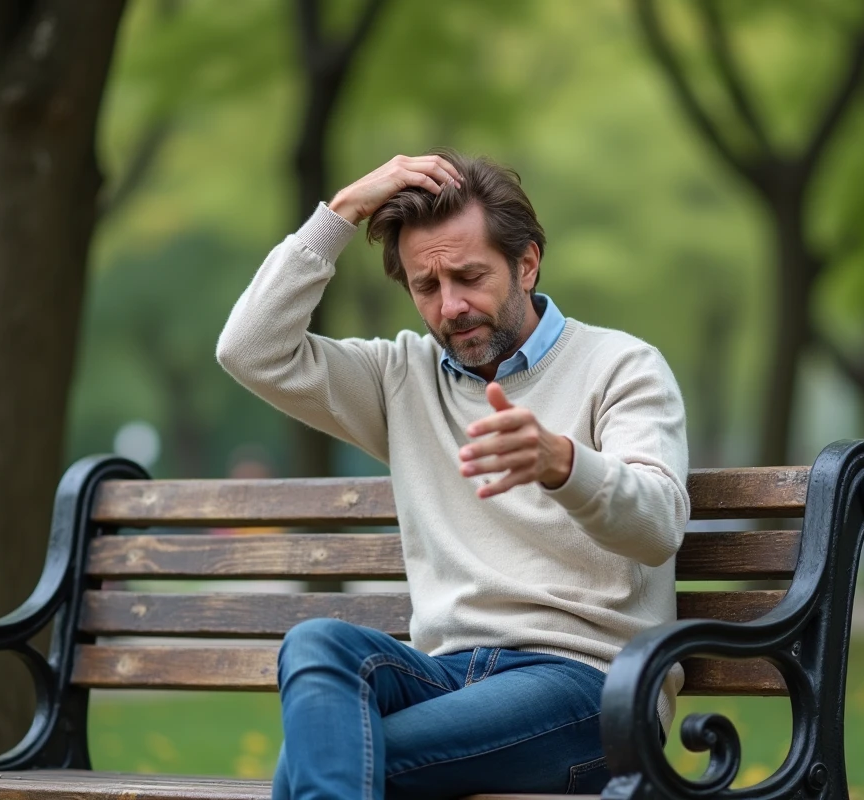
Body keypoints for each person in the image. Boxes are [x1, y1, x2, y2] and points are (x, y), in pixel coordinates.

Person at [216, 151, 690, 798]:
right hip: (448, 677)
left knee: (331, 758)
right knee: (316, 646)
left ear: (526, 262)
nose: (451, 306)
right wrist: (342, 212)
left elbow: (659, 524)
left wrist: (564, 465)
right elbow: (248, 349)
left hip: (591, 689)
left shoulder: (621, 367)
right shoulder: (398, 379)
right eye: (426, 287)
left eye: (470, 276)